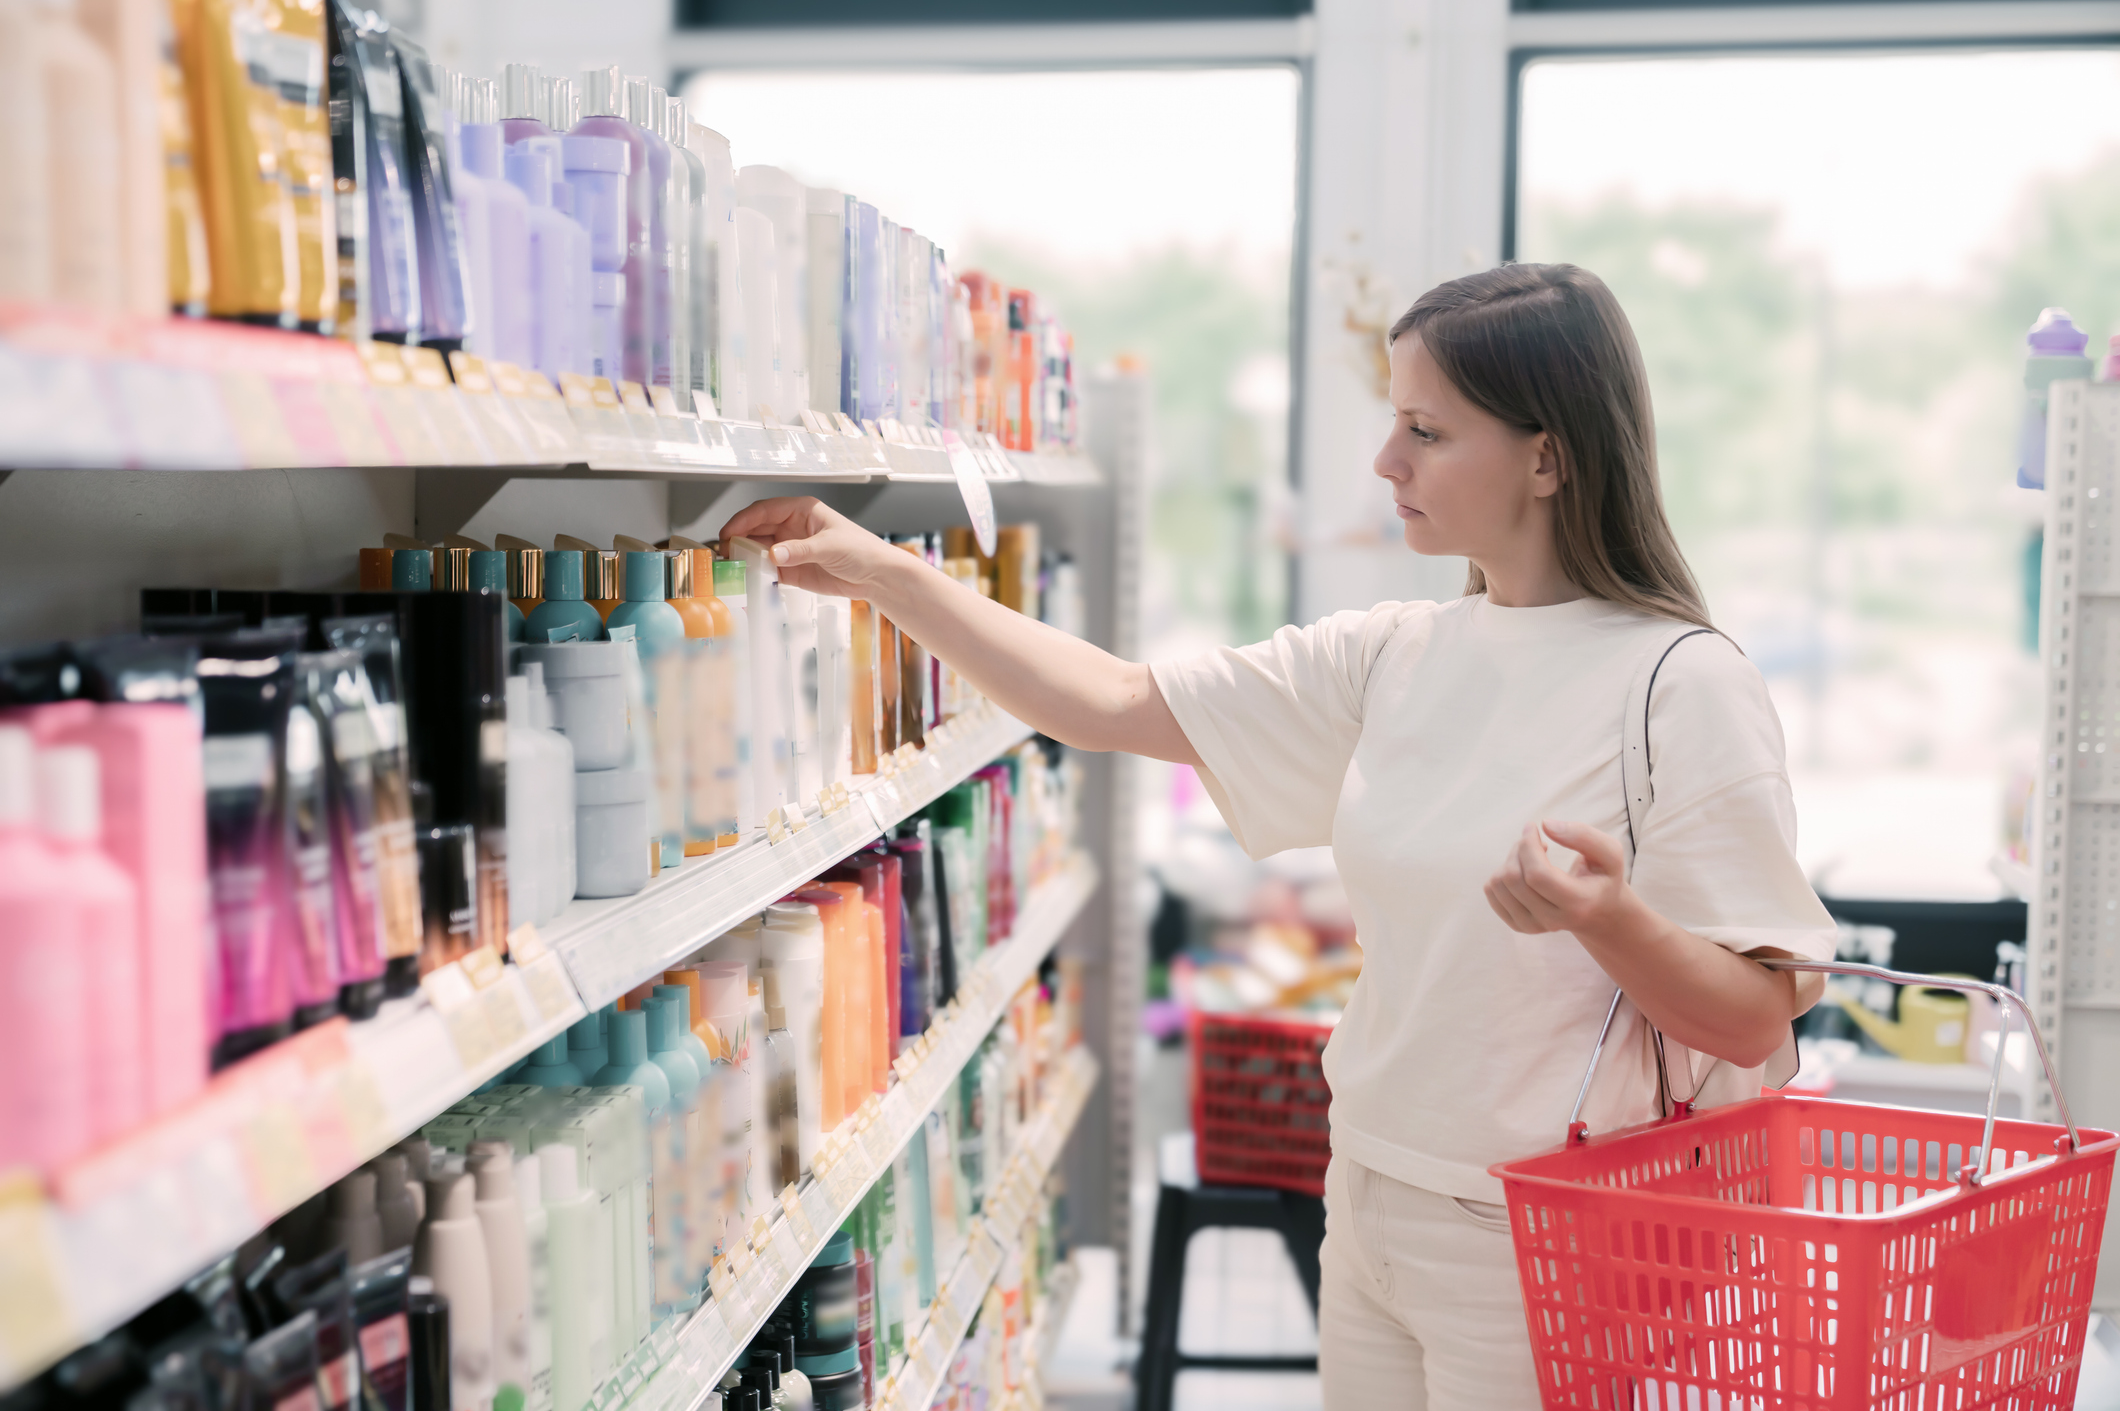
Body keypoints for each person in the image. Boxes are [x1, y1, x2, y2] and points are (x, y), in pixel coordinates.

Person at [720, 262, 1834, 1409]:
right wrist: (880, 571)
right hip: (1365, 1191)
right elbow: (1110, 702)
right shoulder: (1396, 653)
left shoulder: (1679, 681)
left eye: (1424, 430)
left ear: (1547, 458)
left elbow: (1751, 1011)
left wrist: (1611, 918)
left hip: (1549, 1234)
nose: (1383, 461)